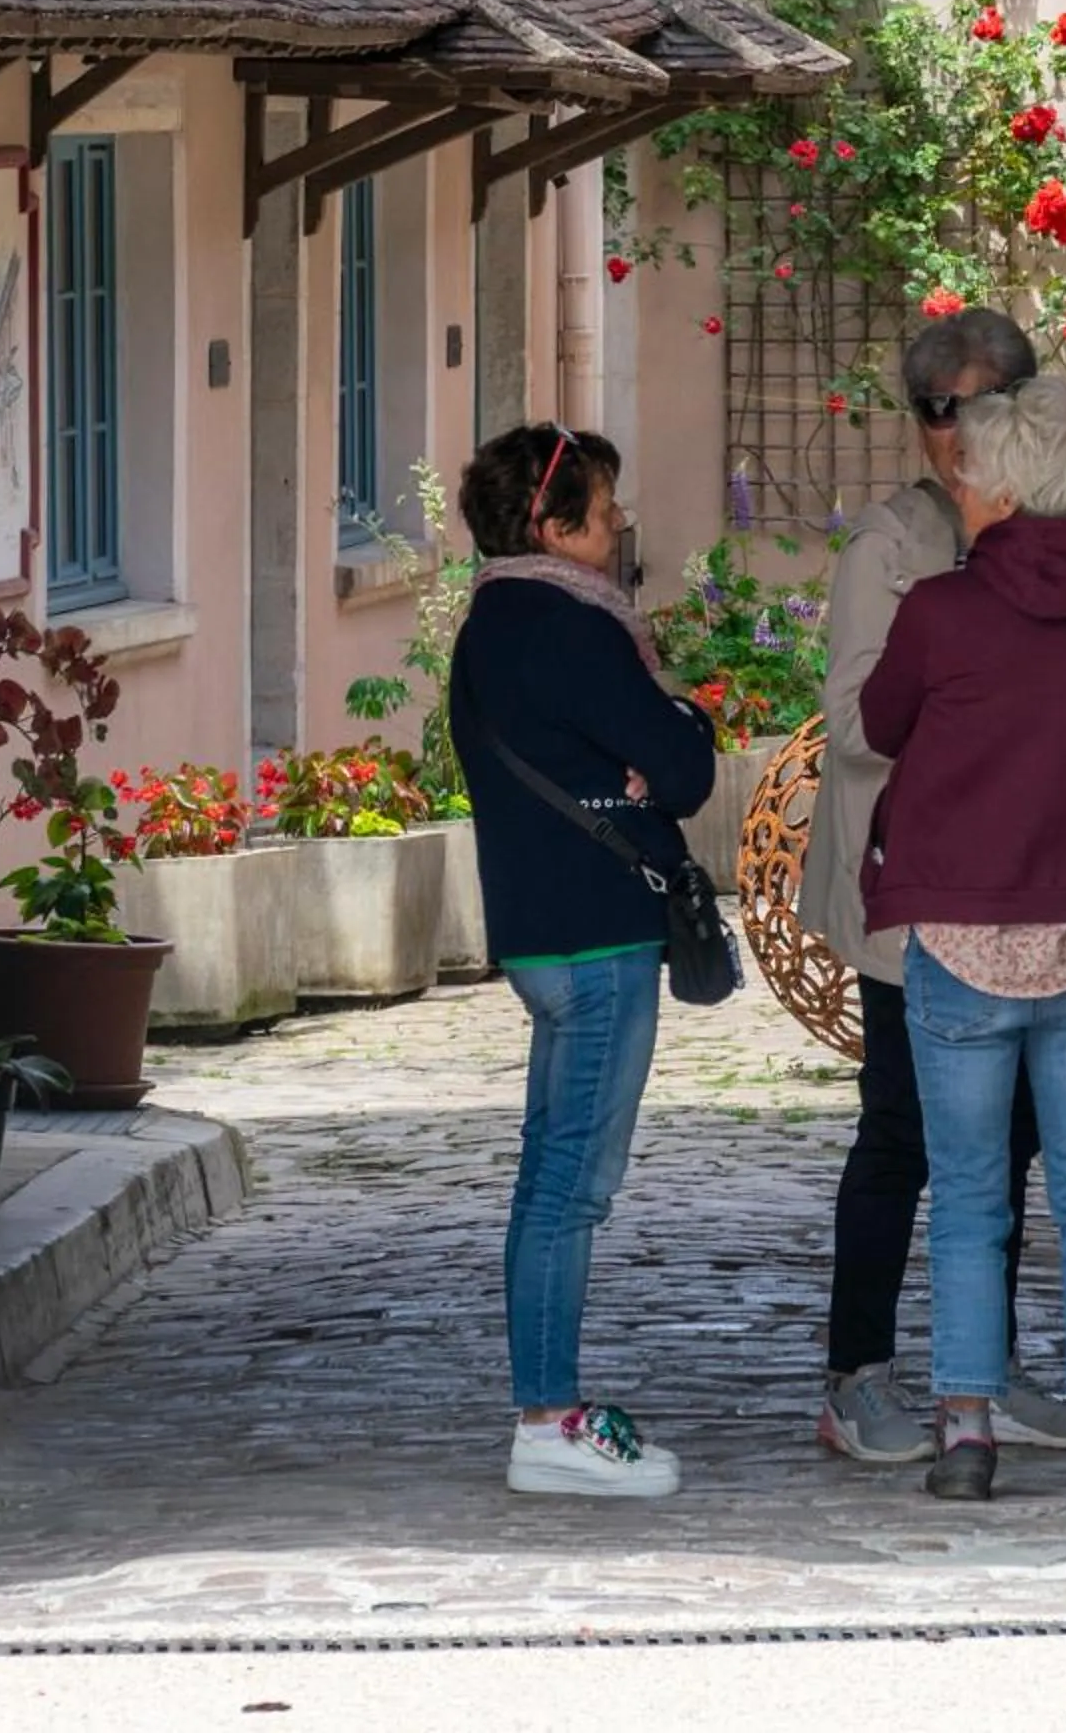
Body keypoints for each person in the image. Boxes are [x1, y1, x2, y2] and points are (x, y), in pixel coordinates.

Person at [860, 372, 1066, 1504]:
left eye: (973, 466)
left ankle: (963, 1431)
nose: (962, 479)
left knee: (965, 1192)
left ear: (1003, 486)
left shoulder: (938, 613)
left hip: (958, 929)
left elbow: (877, 722)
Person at [797, 309, 1066, 1465]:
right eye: (933, 410)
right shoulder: (893, 547)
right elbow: (856, 722)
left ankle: (988, 1363)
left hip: (1018, 879)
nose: (951, 433)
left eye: (973, 406)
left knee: (1011, 1135)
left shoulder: (1054, 530)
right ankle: (853, 1372)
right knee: (901, 1133)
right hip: (907, 886)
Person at [451, 420, 717, 1501]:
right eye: (603, 515)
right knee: (572, 1187)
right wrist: (675, 726)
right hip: (601, 931)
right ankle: (548, 1420)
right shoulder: (578, 627)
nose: (617, 532)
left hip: (533, 930)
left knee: (545, 1176)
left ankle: (543, 1406)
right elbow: (682, 768)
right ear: (552, 527)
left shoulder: (487, 628)